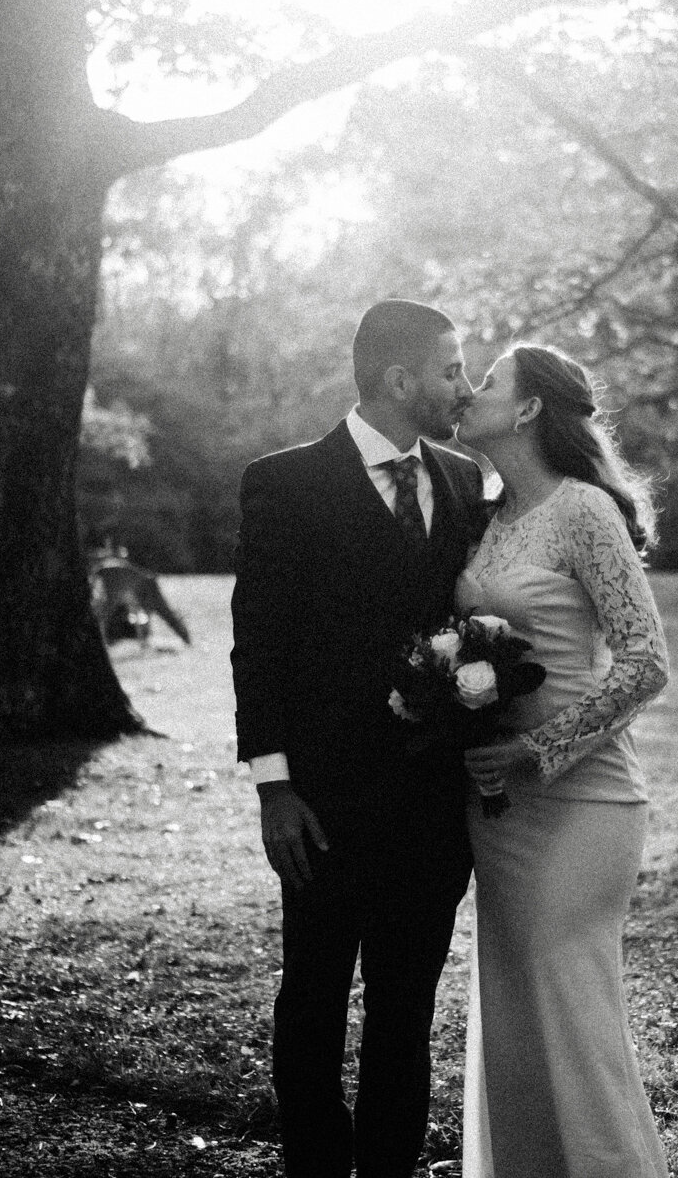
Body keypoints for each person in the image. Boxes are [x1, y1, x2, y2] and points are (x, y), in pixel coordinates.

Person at [231, 299, 484, 1178]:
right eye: (452, 368)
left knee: (405, 1015)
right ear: (399, 378)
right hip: (324, 806)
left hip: (429, 808)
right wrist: (275, 790)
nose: (466, 384)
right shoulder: (286, 482)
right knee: (312, 999)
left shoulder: (460, 481)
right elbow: (257, 646)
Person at [455, 343, 671, 1178]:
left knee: (573, 1012)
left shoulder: (583, 510)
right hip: (498, 809)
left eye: (487, 383)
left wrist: (537, 751)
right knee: (512, 1015)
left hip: (583, 800)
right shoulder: (487, 514)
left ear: (529, 409)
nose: (468, 394)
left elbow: (645, 659)